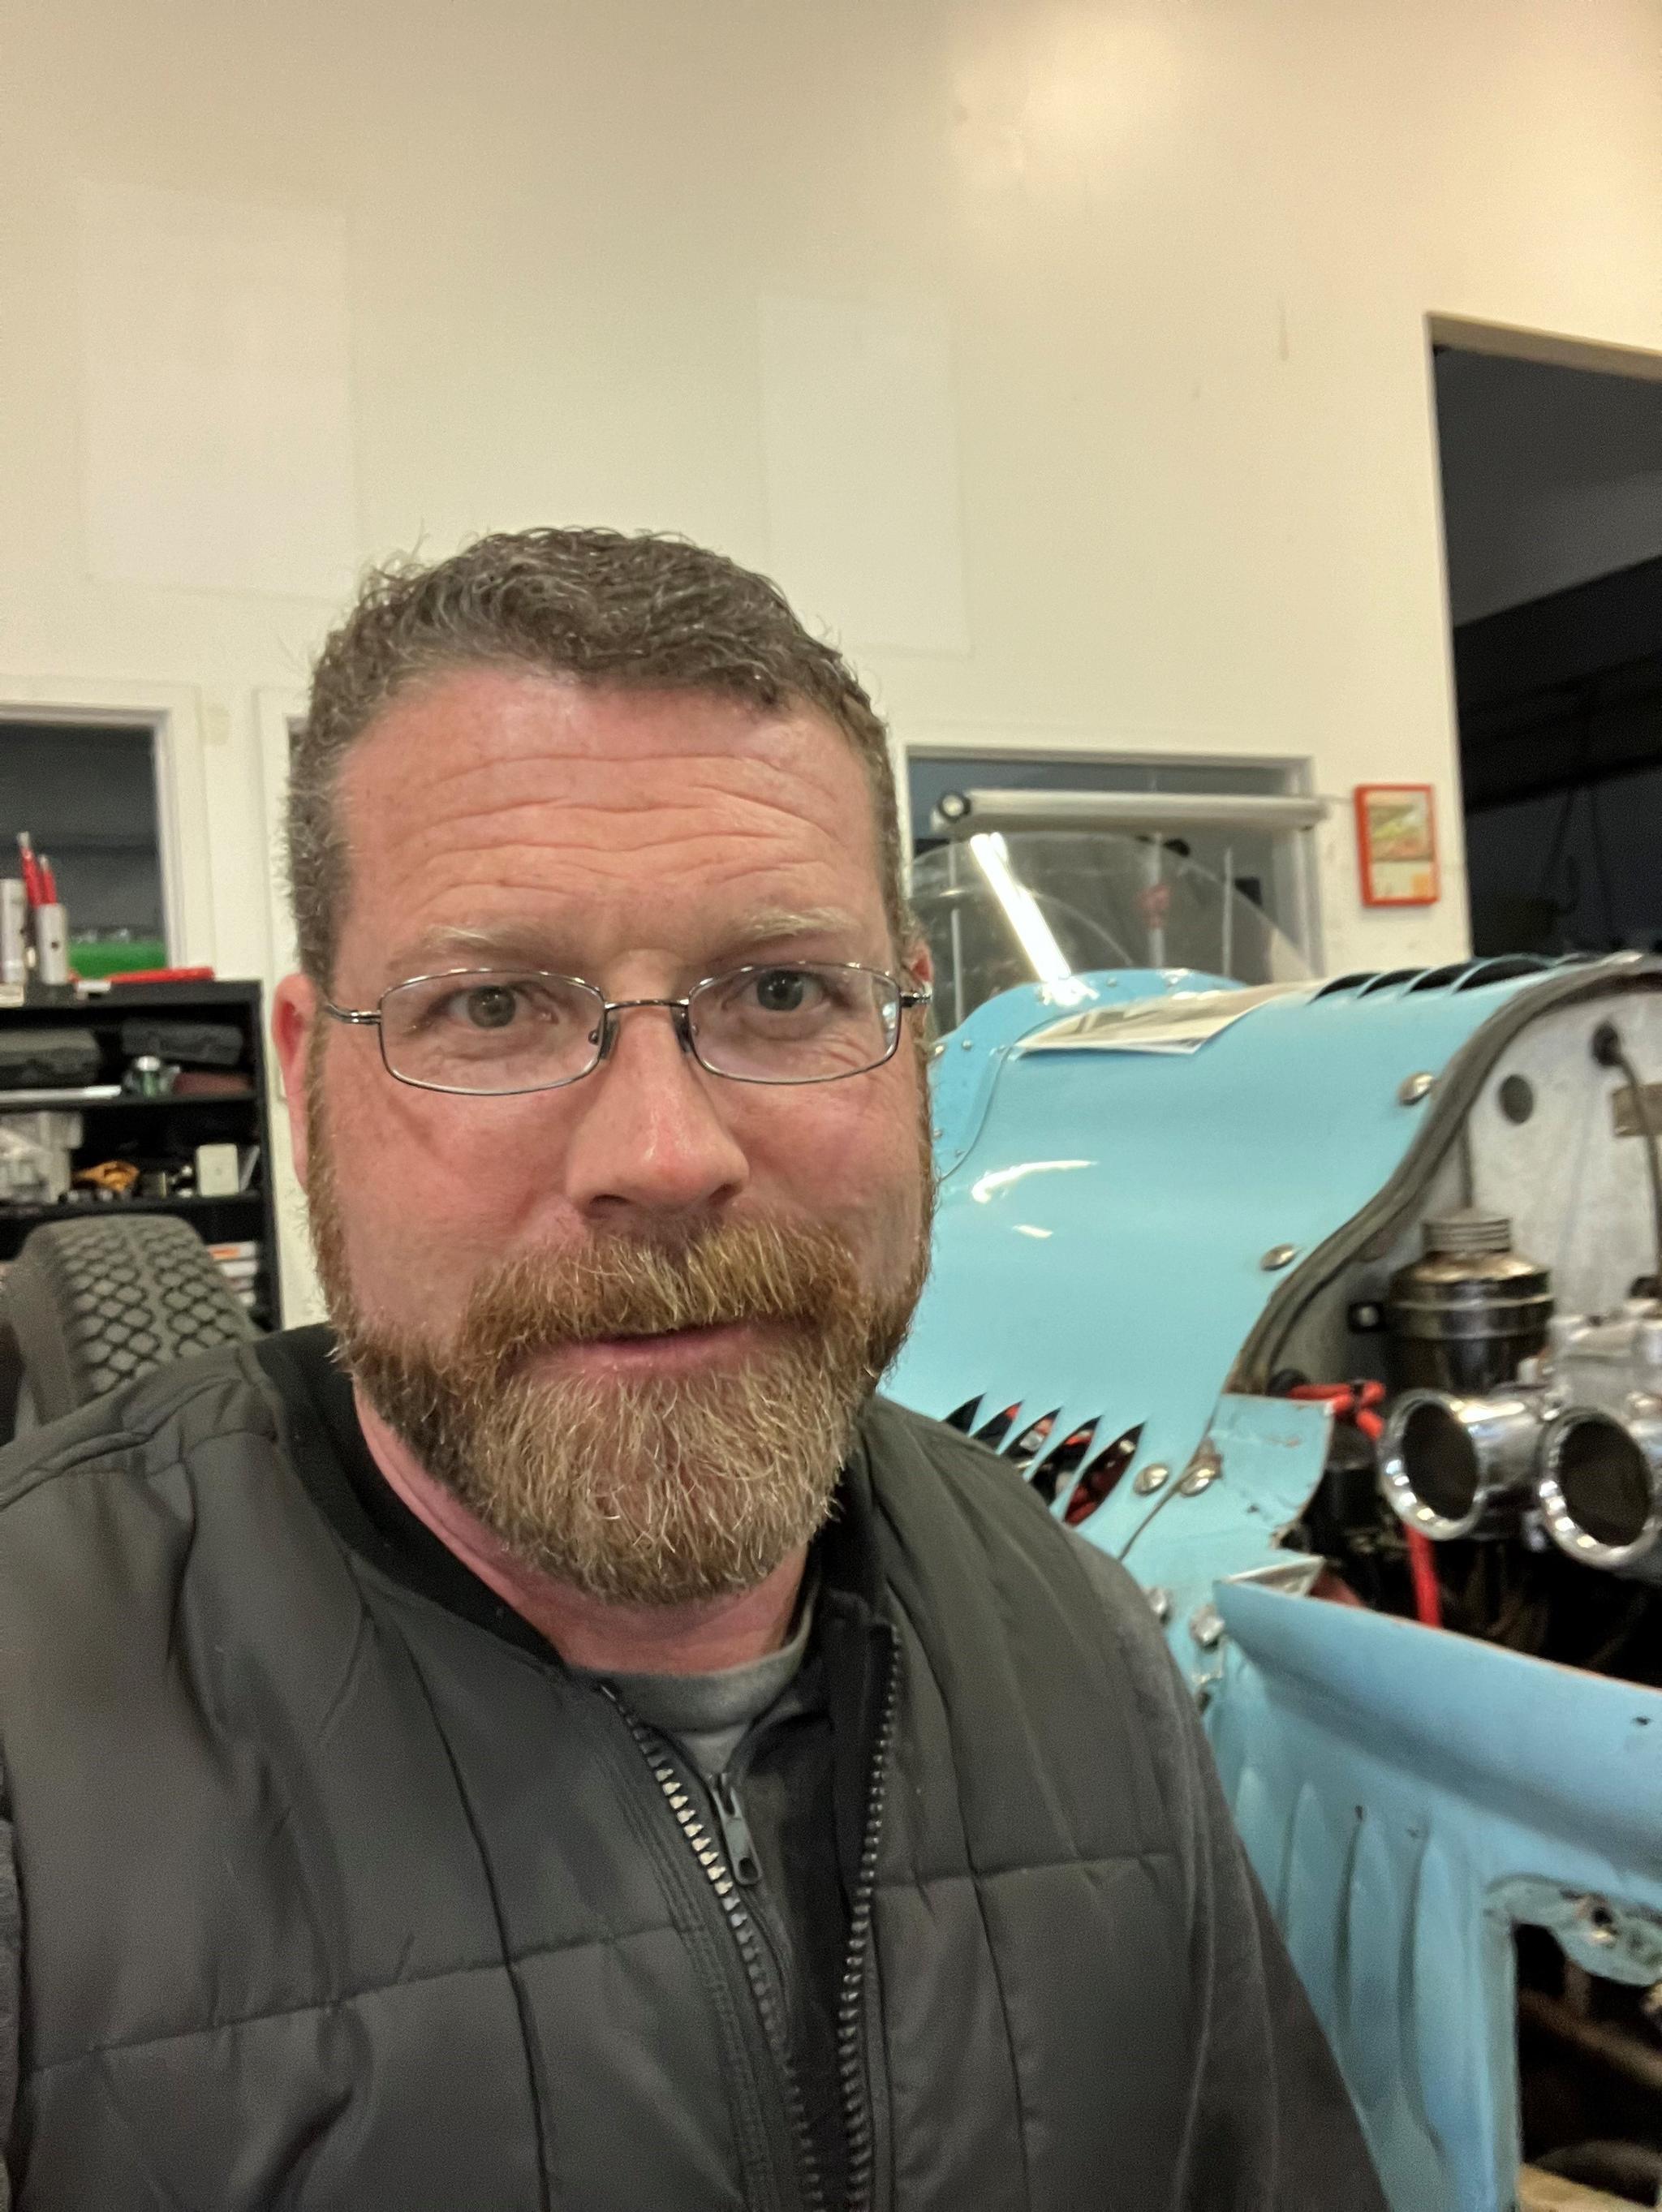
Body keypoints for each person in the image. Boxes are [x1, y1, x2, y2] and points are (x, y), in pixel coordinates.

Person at [0, 528, 1385, 2211]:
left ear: (912, 1037)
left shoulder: (1080, 1638)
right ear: (306, 1083)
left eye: (783, 990)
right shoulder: (29, 1744)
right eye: (492, 1007)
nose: (663, 1155)